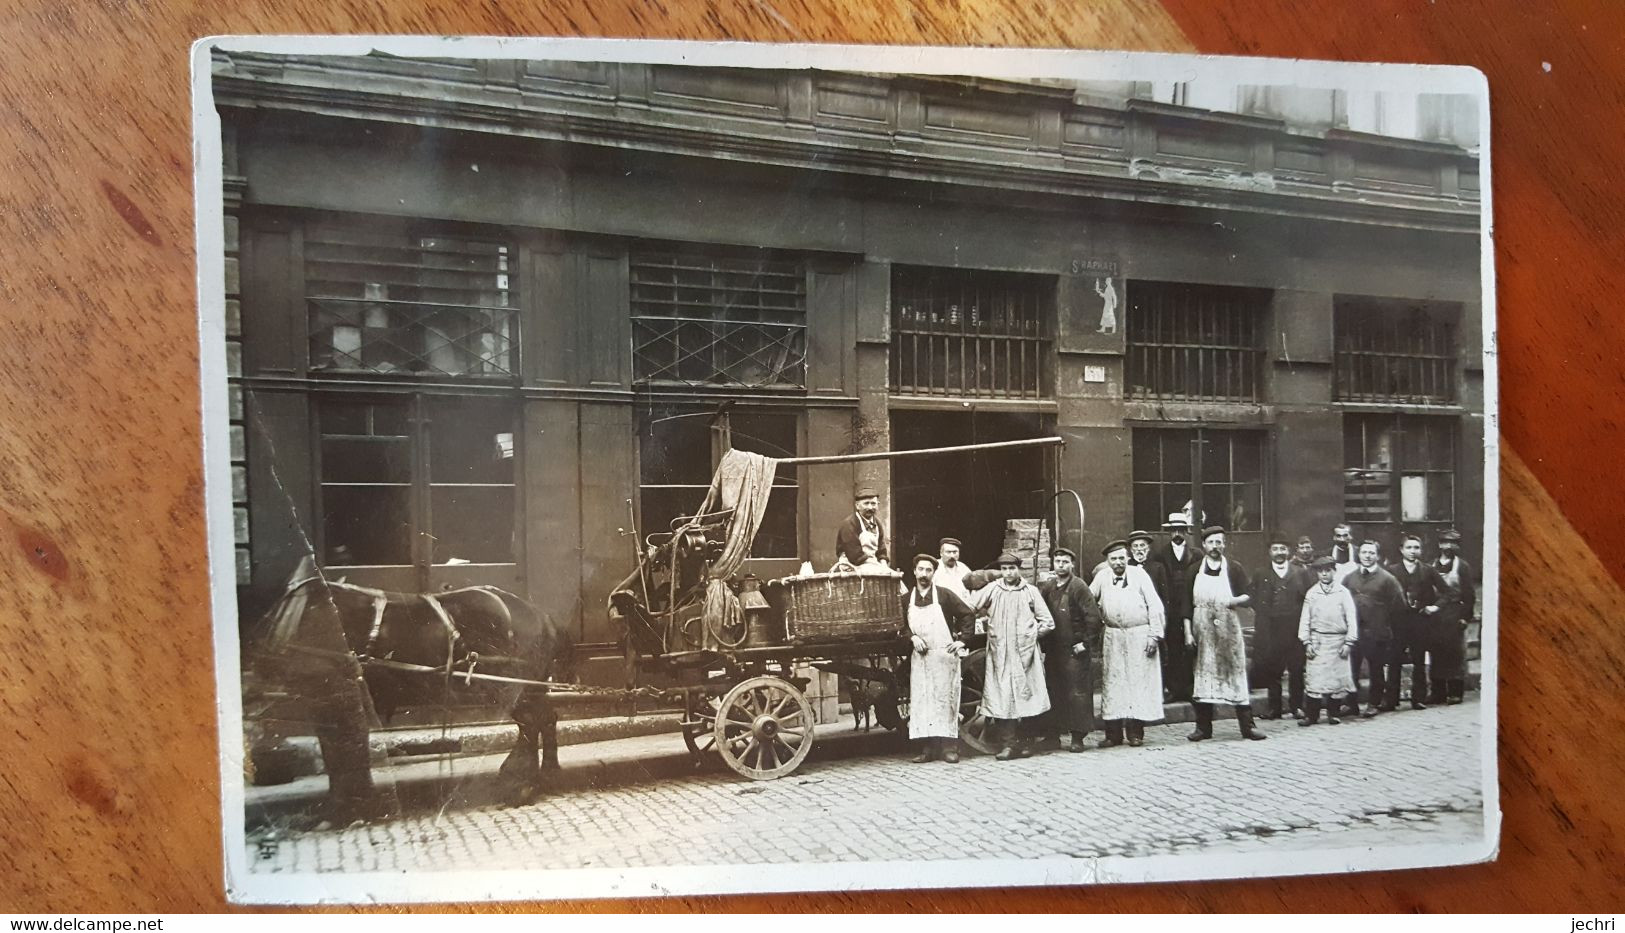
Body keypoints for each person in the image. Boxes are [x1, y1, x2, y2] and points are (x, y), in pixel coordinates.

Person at [967, 553, 1055, 760]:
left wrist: (1031, 635)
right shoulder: (993, 589)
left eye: (1012, 568)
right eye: (1005, 569)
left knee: (1028, 696)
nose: (1009, 573)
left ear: (1019, 570)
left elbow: (1048, 622)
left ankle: (1027, 743)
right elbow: (969, 607)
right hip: (1000, 654)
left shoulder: (1030, 591)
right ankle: (1008, 744)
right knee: (1002, 698)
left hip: (1025, 654)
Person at [1183, 526, 1266, 742]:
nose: (1215, 547)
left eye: (1219, 542)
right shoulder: (1193, 570)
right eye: (1211, 543)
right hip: (1202, 628)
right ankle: (1203, 728)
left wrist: (1233, 601)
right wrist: (1188, 634)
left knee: (1235, 674)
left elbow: (1250, 594)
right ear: (1204, 545)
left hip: (1228, 628)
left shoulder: (1234, 569)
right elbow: (1185, 605)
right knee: (1203, 676)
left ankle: (1247, 727)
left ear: (1224, 544)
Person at [1089, 540, 1166, 748]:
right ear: (1107, 561)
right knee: (1113, 684)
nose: (1118, 563)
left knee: (1136, 683)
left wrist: (1154, 635)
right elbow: (1088, 599)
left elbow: (1155, 605)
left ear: (1127, 558)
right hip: (1113, 636)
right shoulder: (1102, 577)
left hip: (1138, 635)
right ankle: (1112, 735)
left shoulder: (1140, 575)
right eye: (1113, 559)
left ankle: (1135, 733)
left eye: (1121, 558)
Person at [901, 554, 976, 763]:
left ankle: (949, 748)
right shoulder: (906, 599)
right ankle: (927, 749)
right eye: (921, 569)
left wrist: (963, 641)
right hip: (921, 659)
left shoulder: (944, 595)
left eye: (928, 570)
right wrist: (912, 637)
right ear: (914, 571)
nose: (924, 574)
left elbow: (967, 615)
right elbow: (900, 626)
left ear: (933, 573)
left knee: (945, 701)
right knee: (923, 702)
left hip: (943, 657)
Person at [1038, 547, 1104, 752]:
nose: (1061, 565)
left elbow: (1093, 619)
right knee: (1053, 691)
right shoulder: (1049, 587)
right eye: (1057, 562)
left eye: (1065, 562)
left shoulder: (1079, 587)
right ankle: (1052, 736)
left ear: (1072, 564)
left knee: (1077, 694)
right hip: (1054, 650)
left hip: (1075, 650)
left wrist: (1084, 643)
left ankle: (1077, 737)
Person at [1342, 540, 1407, 717]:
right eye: (1364, 552)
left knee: (1376, 670)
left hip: (1377, 633)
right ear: (1359, 555)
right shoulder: (1350, 578)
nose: (1367, 556)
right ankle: (1351, 704)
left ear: (1377, 556)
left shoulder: (1388, 579)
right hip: (1354, 632)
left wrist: (1387, 627)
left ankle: (1374, 703)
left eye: (1371, 553)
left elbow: (1399, 608)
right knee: (1351, 669)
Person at [1252, 533, 1314, 719]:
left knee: (1296, 668)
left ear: (1288, 551)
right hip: (1272, 629)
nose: (1279, 552)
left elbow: (1308, 600)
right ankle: (1274, 708)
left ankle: (1297, 706)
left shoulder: (1300, 573)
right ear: (1269, 552)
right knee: (1273, 669)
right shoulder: (1260, 574)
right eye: (1275, 549)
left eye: (1282, 549)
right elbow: (1254, 598)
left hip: (1294, 628)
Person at [1298, 555, 1359, 726]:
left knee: (1336, 681)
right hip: (1318, 640)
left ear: (1334, 571)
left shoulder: (1343, 593)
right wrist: (1307, 642)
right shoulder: (1312, 593)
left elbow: (1351, 619)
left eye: (1328, 571)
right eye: (1321, 571)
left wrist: (1349, 642)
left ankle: (1333, 713)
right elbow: (1305, 619)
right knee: (1315, 680)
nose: (1324, 574)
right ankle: (1312, 715)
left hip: (1338, 641)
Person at [1389, 533, 1446, 711]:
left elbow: (1448, 592)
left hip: (1420, 621)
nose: (1413, 551)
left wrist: (1434, 607)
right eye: (1409, 547)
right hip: (1397, 622)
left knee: (1419, 660)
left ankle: (1418, 698)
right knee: (1394, 660)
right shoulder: (1392, 570)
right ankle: (1391, 699)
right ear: (1401, 550)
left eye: (1416, 548)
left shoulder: (1428, 570)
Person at [1153, 512, 1200, 702]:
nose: (1177, 534)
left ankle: (1189, 688)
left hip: (1191, 607)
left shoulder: (1197, 555)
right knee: (1172, 648)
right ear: (1169, 533)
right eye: (1174, 530)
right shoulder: (1160, 554)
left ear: (1186, 532)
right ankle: (1172, 689)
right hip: (1170, 609)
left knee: (1189, 648)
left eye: (1181, 530)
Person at [1432, 529, 1478, 704]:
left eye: (1452, 543)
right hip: (1437, 615)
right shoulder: (1433, 565)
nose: (1448, 546)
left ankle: (1455, 692)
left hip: (1455, 615)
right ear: (1439, 544)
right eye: (1445, 542)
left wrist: (1465, 617)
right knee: (1437, 653)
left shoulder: (1462, 566)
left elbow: (1469, 596)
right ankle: (1437, 692)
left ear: (1457, 546)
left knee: (1455, 654)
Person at [834, 486, 888, 568]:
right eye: (866, 503)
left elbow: (881, 551)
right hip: (852, 567)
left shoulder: (877, 524)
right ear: (857, 506)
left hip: (873, 565)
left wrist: (884, 566)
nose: (870, 507)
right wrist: (878, 567)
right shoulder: (849, 524)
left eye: (873, 503)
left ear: (878, 505)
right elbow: (855, 556)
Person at [932, 537, 973, 601]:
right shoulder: (933, 568)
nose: (952, 556)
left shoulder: (964, 568)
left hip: (964, 607)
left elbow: (974, 588)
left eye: (955, 552)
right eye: (948, 552)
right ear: (941, 553)